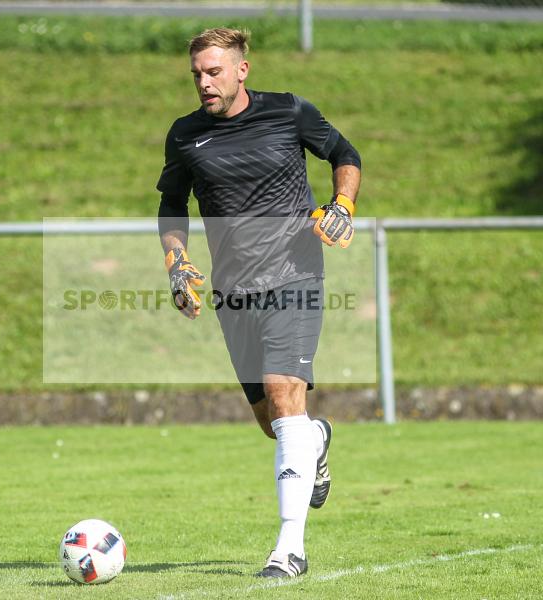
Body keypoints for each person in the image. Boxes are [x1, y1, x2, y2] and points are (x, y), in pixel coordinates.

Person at [156, 28, 362, 577]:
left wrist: (342, 203)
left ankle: (289, 549)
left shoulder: (288, 111)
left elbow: (345, 153)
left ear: (242, 70)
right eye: (197, 73)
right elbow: (171, 206)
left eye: (214, 71)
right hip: (233, 290)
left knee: (282, 392)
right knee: (274, 423)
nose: (204, 82)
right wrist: (177, 263)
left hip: (295, 276)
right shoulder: (184, 136)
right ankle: (315, 438)